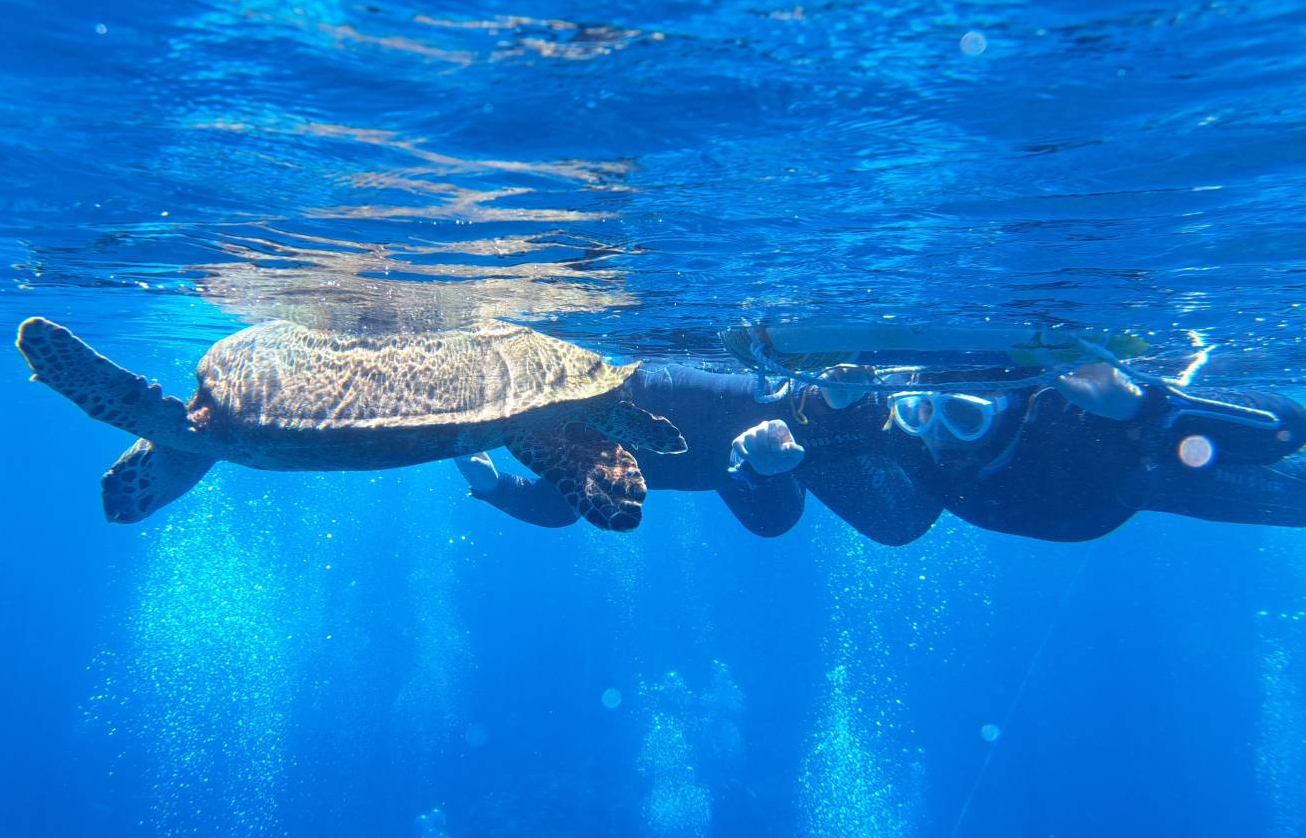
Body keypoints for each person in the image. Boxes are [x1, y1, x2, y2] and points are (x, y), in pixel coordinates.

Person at [455, 363, 941, 544]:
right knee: (777, 520)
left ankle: (891, 393)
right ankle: (874, 402)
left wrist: (820, 391)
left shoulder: (658, 384)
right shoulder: (560, 453)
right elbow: (553, 506)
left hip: (759, 418)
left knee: (897, 521)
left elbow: (552, 505)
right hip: (759, 463)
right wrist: (490, 484)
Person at [884, 361, 1306, 542]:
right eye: (916, 412)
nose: (937, 436)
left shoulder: (1085, 419)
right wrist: (1149, 407)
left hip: (1122, 475)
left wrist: (1144, 406)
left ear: (1016, 413)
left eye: (964, 416)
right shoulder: (915, 447)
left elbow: (1287, 427)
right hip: (1125, 485)